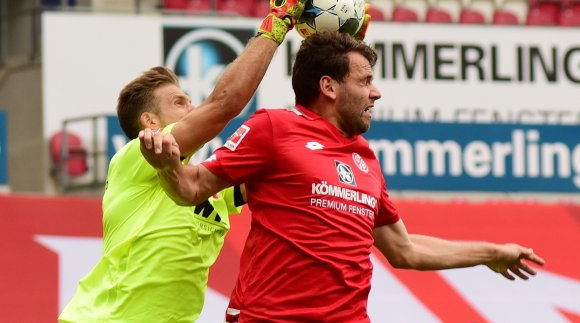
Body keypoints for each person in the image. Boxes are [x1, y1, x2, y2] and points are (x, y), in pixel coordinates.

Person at [139, 32, 545, 322]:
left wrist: (491, 253)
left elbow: (404, 250)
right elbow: (193, 187)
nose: (376, 92)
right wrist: (166, 164)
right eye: (365, 80)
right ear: (328, 87)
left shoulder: (366, 159)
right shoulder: (274, 128)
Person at [58, 0, 331, 323]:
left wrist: (334, 78)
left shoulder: (207, 181)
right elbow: (226, 105)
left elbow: (288, 167)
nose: (192, 105)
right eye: (179, 101)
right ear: (150, 122)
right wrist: (277, 21)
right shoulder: (138, 156)